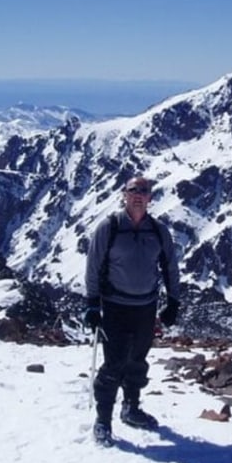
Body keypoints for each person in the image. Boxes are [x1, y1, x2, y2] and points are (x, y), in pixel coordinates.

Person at [84, 176, 181, 447]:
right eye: (133, 190)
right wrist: (92, 305)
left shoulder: (159, 231)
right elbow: (93, 267)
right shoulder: (110, 227)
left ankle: (131, 407)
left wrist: (174, 301)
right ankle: (103, 421)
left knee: (138, 360)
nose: (139, 195)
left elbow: (170, 267)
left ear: (151, 197)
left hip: (146, 308)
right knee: (114, 363)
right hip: (115, 307)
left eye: (144, 191)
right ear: (124, 195)